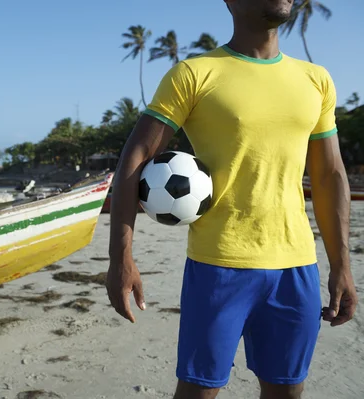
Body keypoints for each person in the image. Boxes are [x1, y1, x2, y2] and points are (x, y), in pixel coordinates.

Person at [106, 1, 358, 398]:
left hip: (297, 268)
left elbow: (329, 176)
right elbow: (135, 158)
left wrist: (341, 264)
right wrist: (120, 256)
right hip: (218, 267)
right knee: (198, 391)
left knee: (287, 392)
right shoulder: (195, 73)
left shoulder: (316, 79)